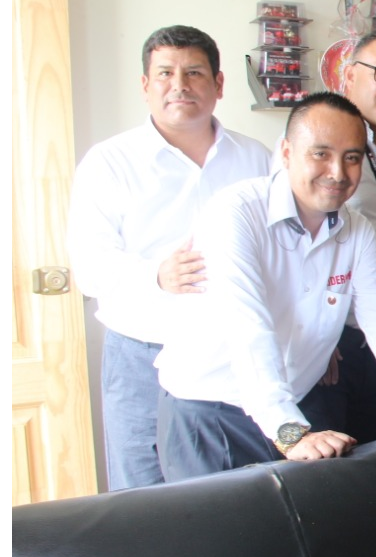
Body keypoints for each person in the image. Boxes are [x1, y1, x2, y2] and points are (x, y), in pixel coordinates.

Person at [154, 93, 376, 483]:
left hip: (296, 403)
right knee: (224, 524)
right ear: (286, 153)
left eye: (352, 157)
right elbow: (248, 331)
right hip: (213, 411)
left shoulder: (355, 229)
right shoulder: (235, 213)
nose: (337, 172)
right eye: (321, 154)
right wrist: (289, 432)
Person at [67, 25, 271, 490]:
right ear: (145, 85)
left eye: (194, 72)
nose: (179, 85)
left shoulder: (256, 159)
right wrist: (155, 275)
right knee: (143, 493)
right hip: (142, 354)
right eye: (165, 73)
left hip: (231, 354)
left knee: (230, 490)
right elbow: (89, 266)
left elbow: (282, 248)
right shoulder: (109, 162)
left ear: (219, 84)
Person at [298, 29, 376, 445]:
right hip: (332, 349)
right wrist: (316, 336)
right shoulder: (315, 144)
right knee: (330, 470)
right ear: (350, 75)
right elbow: (291, 244)